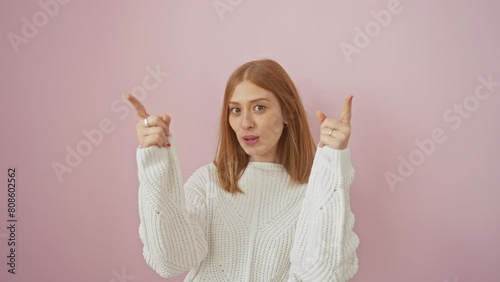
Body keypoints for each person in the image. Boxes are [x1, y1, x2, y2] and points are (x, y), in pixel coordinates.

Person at [125, 59, 359, 281]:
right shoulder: (208, 182)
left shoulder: (313, 190)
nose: (245, 122)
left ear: (287, 112)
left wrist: (332, 161)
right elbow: (170, 261)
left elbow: (325, 274)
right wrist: (155, 161)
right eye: (235, 110)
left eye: (259, 107)